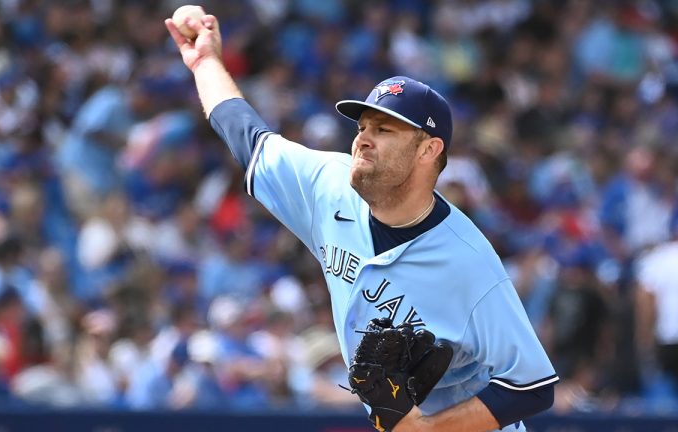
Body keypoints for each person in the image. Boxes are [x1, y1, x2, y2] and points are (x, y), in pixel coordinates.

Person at [164, 11, 557, 432]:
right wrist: (206, 62)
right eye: (363, 125)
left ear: (429, 150)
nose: (363, 137)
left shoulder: (469, 262)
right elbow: (247, 136)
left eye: (385, 129)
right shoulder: (328, 185)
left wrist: (426, 430)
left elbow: (531, 386)